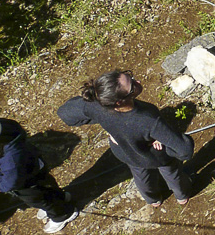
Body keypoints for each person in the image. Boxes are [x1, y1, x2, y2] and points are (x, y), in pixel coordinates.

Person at [57, 70, 194, 207]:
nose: (138, 82)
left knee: (141, 177)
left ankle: (153, 200)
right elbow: (185, 150)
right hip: (156, 154)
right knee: (172, 172)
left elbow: (65, 114)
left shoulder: (97, 104)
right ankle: (182, 195)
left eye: (131, 77)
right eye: (132, 85)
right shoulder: (148, 119)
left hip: (125, 152)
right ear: (119, 102)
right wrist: (166, 146)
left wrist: (114, 131)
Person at [0, 112, 78, 233]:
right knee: (46, 188)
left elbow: (10, 184)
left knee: (38, 198)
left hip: (27, 182)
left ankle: (63, 214)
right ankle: (60, 198)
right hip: (30, 169)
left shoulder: (11, 160)